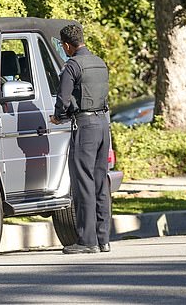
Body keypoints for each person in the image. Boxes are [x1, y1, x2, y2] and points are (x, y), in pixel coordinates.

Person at [50, 24, 111, 254]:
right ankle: (104, 239)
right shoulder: (100, 63)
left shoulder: (72, 66)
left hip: (85, 127)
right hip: (103, 125)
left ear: (66, 45)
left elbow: (63, 99)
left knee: (83, 183)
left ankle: (87, 241)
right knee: (100, 182)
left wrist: (58, 117)